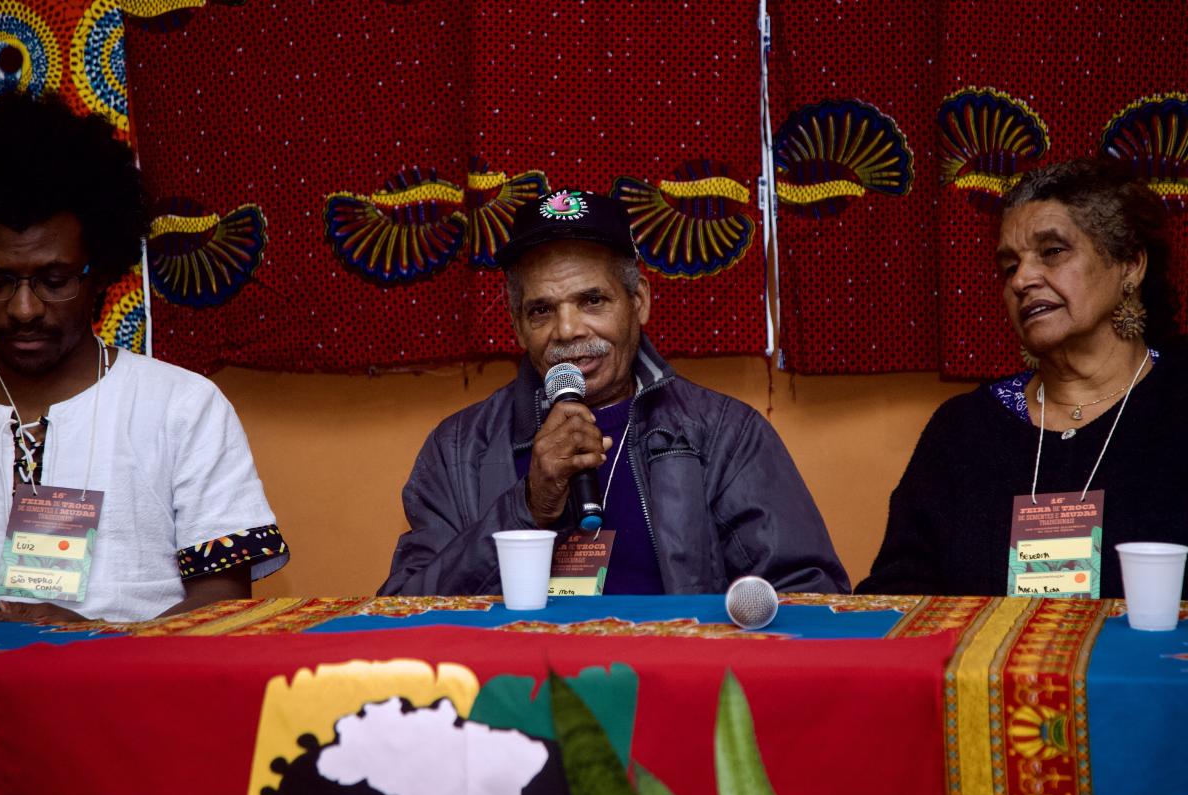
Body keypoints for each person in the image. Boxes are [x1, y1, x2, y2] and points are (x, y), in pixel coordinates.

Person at [381, 189, 848, 596]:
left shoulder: (726, 434)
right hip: (517, 672)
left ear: (638, 301)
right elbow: (404, 610)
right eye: (542, 310)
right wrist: (526, 507)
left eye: (592, 300)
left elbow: (808, 593)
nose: (567, 330)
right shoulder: (459, 449)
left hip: (674, 668)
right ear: (518, 325)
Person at [0, 92, 287, 623]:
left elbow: (223, 602)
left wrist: (100, 639)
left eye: (54, 281)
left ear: (101, 272)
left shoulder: (182, 406)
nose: (24, 308)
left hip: (135, 673)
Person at [859, 159, 1188, 598]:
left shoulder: (1178, 404)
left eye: (1052, 251)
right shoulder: (965, 430)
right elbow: (896, 594)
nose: (1022, 280)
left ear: (1130, 264)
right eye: (1009, 266)